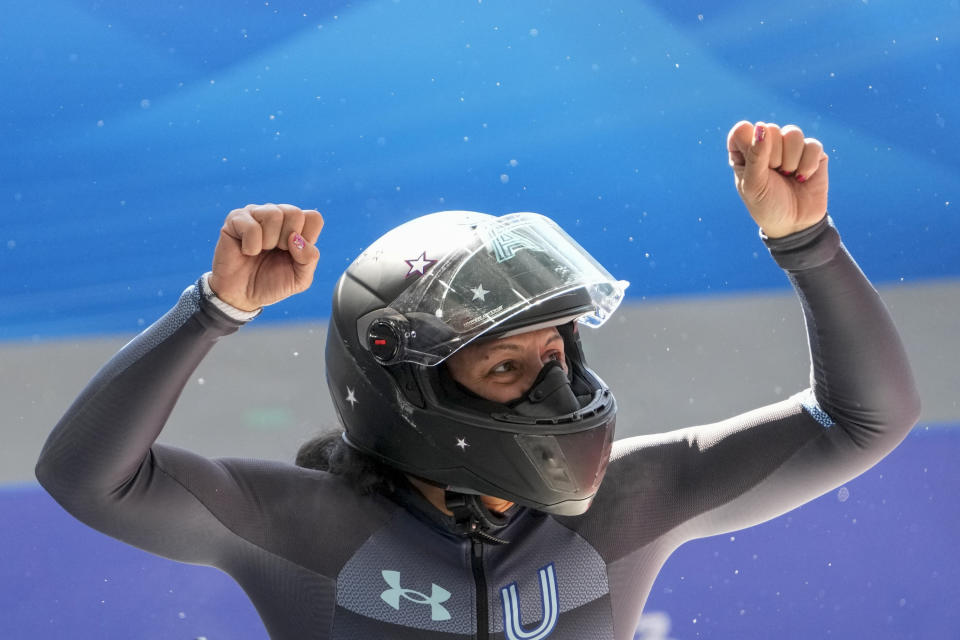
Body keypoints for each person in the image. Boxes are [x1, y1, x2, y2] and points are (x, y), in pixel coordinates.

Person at [36, 121, 920, 640]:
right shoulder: (298, 525)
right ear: (403, 392)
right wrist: (214, 309)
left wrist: (807, 241)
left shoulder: (632, 498)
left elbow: (868, 418)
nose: (560, 391)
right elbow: (86, 476)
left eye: (559, 353)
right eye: (505, 364)